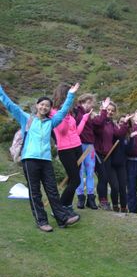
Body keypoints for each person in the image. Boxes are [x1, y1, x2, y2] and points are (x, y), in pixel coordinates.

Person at [0, 83, 81, 232]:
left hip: (46, 161)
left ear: (49, 109)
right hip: (30, 160)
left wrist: (70, 95)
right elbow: (10, 105)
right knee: (35, 192)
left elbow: (62, 112)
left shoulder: (51, 122)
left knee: (52, 191)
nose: (44, 107)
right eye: (42, 104)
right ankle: (41, 221)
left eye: (47, 106)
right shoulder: (27, 119)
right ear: (37, 106)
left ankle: (62, 218)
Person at [51, 83, 91, 213]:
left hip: (77, 147)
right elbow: (61, 131)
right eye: (70, 95)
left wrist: (84, 119)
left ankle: (67, 206)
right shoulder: (54, 112)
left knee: (74, 179)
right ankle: (59, 208)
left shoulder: (69, 112)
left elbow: (75, 132)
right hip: (65, 149)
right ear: (64, 95)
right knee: (76, 180)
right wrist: (66, 116)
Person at [93, 100, 131, 210]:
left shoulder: (111, 123)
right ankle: (102, 201)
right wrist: (103, 111)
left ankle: (104, 202)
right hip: (98, 153)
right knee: (103, 177)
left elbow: (118, 134)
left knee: (106, 179)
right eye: (108, 110)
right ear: (103, 109)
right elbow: (98, 125)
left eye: (112, 111)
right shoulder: (98, 119)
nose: (110, 112)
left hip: (108, 155)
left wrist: (124, 124)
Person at [75, 93, 98, 209]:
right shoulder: (76, 112)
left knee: (90, 172)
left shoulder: (92, 115)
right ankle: (80, 197)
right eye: (87, 102)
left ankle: (91, 197)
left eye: (91, 103)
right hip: (78, 145)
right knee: (79, 171)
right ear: (81, 102)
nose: (90, 105)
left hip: (89, 145)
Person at [110, 115, 134, 212]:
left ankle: (124, 207)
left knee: (123, 187)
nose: (123, 124)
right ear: (118, 122)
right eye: (121, 122)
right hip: (111, 164)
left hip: (122, 165)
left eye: (126, 123)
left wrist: (132, 139)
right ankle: (115, 205)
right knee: (115, 187)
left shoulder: (127, 136)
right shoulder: (114, 133)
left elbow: (129, 151)